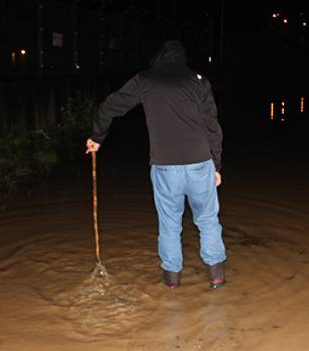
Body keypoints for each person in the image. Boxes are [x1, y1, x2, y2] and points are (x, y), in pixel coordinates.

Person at [85, 40, 226, 289]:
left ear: (158, 57)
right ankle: (216, 278)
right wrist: (216, 164)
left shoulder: (145, 80)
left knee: (169, 223)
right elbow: (212, 126)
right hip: (200, 164)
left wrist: (97, 137)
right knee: (207, 220)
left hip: (165, 167)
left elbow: (110, 106)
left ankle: (172, 283)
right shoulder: (199, 81)